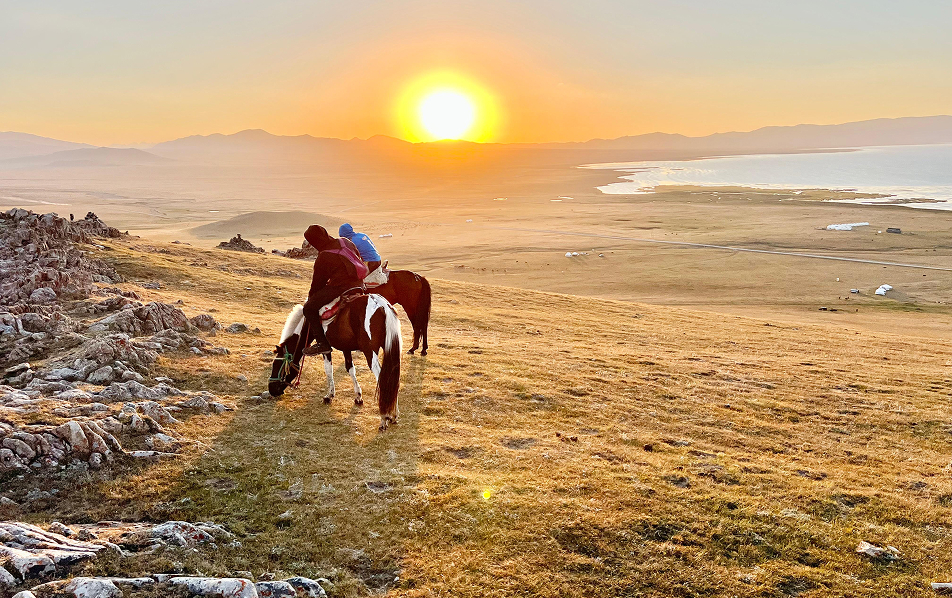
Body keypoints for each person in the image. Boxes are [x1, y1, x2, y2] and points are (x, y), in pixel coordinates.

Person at [301, 224, 367, 355]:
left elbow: (317, 285)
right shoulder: (346, 242)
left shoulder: (324, 256)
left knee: (309, 308)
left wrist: (311, 298)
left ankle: (322, 343)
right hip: (360, 285)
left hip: (340, 287)